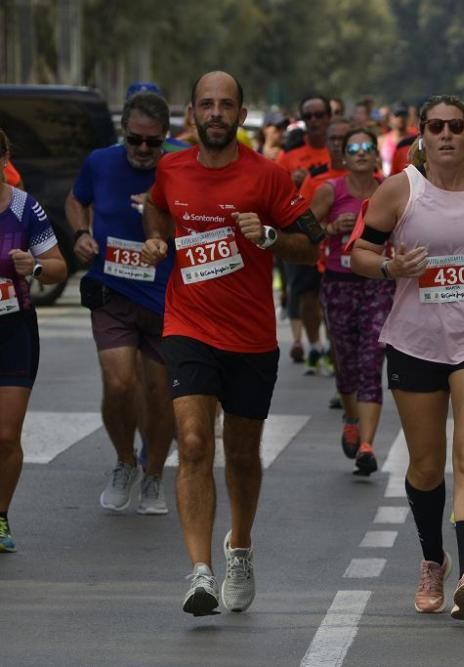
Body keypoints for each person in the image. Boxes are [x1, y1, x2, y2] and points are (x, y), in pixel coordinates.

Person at [140, 71, 323, 616]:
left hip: (250, 336)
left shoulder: (267, 177)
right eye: (205, 105)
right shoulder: (171, 167)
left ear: (243, 115)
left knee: (241, 452)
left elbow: (311, 247)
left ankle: (239, 545)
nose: (215, 113)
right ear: (192, 114)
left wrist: (267, 236)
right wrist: (155, 236)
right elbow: (156, 206)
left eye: (226, 105)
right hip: (188, 326)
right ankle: (200, 573)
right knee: (194, 442)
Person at [350, 95, 464, 621]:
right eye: (436, 127)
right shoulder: (401, 189)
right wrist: (390, 269)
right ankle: (433, 559)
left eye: (456, 127)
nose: (447, 135)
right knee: (426, 465)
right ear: (421, 134)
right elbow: (358, 253)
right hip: (416, 341)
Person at [66, 90, 176, 515]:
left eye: (153, 141)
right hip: (112, 292)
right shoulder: (99, 162)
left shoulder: (177, 170)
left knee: (159, 394)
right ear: (123, 134)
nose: (144, 150)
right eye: (136, 140)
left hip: (165, 297)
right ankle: (125, 461)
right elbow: (77, 200)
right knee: (119, 384)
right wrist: (80, 234)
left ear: (165, 138)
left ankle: (153, 476)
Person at [0, 128, 68, 553]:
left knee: (6, 435)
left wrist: (35, 269)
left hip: (13, 329)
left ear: (4, 156)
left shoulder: (26, 209)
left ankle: (0, 516)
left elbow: (59, 266)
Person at [310, 127, 389, 476]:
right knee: (345, 363)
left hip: (378, 286)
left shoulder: (389, 191)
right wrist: (329, 229)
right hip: (339, 285)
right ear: (344, 157)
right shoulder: (330, 191)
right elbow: (303, 229)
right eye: (352, 148)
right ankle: (351, 417)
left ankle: (368, 446)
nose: (359, 153)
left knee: (372, 362)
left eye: (366, 147)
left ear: (374, 156)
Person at [277, 95, 333, 372]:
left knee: (333, 295)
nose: (314, 121)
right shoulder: (287, 158)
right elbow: (273, 196)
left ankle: (336, 347)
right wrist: (291, 182)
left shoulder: (339, 151)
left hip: (338, 238)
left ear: (328, 117)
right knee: (308, 295)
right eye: (308, 116)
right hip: (302, 236)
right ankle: (314, 346)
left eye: (319, 115)